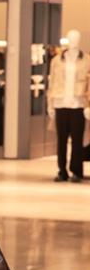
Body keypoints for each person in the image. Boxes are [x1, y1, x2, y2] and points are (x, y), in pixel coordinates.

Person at [47, 29, 90, 183]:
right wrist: (50, 104)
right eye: (71, 38)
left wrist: (88, 104)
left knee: (77, 140)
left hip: (78, 104)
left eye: (76, 38)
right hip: (61, 103)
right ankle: (62, 171)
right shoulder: (56, 61)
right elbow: (52, 83)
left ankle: (77, 171)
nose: (73, 41)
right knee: (61, 140)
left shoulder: (87, 60)